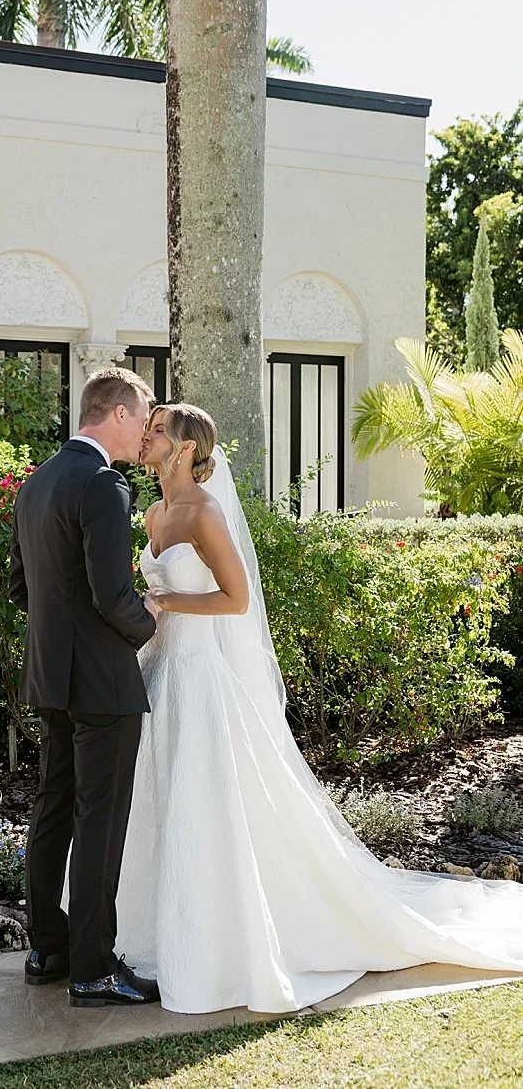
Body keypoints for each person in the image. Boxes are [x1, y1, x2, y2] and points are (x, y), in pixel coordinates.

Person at [119, 401, 523, 1014]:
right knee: (163, 806)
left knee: (204, 807)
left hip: (201, 682)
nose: (143, 438)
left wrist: (168, 603)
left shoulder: (204, 514)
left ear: (181, 449)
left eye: (154, 432)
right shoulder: (154, 514)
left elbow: (235, 600)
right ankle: (155, 940)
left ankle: (217, 951)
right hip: (160, 677)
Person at [8, 366, 161, 1008]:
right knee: (100, 817)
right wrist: (147, 624)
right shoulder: (104, 483)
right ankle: (94, 968)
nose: (149, 428)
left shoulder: (36, 482)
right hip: (101, 683)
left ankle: (47, 948)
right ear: (117, 414)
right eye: (145, 414)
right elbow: (110, 592)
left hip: (49, 675)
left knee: (53, 808)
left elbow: (22, 588)